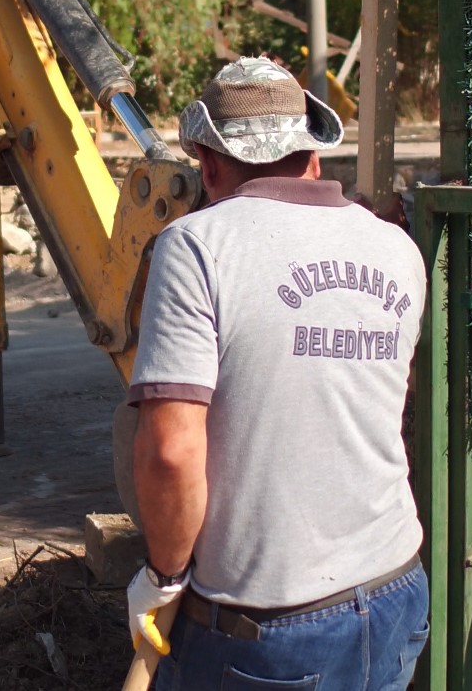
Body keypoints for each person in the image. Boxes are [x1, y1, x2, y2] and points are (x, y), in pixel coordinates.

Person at [125, 57, 428, 690]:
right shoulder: (398, 250)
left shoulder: (195, 247)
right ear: (313, 156)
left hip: (267, 632)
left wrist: (162, 577)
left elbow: (172, 453)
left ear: (207, 166)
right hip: (396, 589)